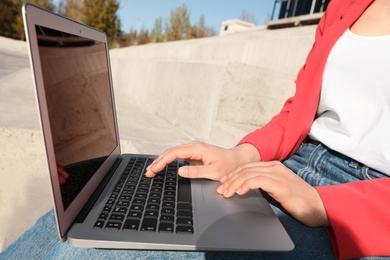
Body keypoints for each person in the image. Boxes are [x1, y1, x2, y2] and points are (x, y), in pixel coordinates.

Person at [2, 0, 389, 259]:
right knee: (77, 213)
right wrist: (240, 155)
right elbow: (299, 111)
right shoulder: (344, 5)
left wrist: (325, 205)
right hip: (285, 169)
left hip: (362, 207)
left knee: (95, 249)